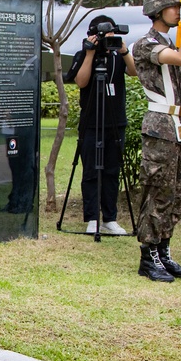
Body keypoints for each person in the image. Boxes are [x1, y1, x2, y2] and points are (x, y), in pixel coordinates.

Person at [132, 0, 181, 283]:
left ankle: (164, 249)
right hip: (160, 125)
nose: (178, 12)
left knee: (179, 193)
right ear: (159, 11)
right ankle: (149, 255)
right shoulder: (146, 44)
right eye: (175, 8)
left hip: (178, 124)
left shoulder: (170, 41)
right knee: (159, 190)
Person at [63, 15, 137, 235]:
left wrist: (123, 50)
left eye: (112, 33)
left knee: (112, 171)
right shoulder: (83, 55)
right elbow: (81, 81)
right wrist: (90, 53)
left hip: (116, 122)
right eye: (104, 34)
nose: (109, 39)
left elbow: (134, 72)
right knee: (92, 172)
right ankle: (92, 218)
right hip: (92, 123)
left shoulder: (118, 56)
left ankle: (110, 218)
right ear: (92, 35)